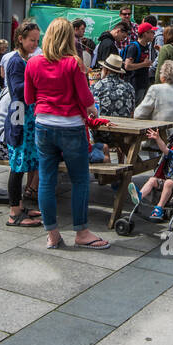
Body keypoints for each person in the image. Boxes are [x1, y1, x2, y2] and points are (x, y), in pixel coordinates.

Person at [24, 17, 108, 249]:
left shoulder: (33, 62)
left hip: (43, 126)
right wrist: (92, 109)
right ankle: (81, 232)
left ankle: (52, 234)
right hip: (70, 126)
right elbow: (86, 99)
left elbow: (29, 98)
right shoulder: (74, 63)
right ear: (68, 37)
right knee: (80, 179)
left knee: (46, 180)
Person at [2, 21, 43, 228]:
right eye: (31, 40)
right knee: (17, 166)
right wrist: (37, 79)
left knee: (22, 164)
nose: (35, 44)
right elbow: (18, 90)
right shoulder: (16, 61)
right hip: (19, 118)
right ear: (21, 38)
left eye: (37, 40)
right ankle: (14, 213)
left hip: (24, 118)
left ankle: (19, 205)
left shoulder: (24, 59)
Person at [123, 22, 155, 104]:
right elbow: (127, 66)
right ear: (145, 34)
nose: (154, 34)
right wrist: (144, 64)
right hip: (134, 84)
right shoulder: (133, 47)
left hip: (143, 83)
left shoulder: (146, 46)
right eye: (152, 32)